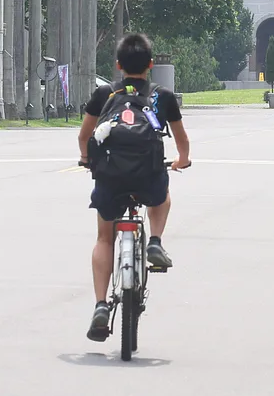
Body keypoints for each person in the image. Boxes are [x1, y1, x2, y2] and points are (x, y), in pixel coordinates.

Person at [78, 33, 191, 341]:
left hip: (111, 177)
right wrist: (182, 159)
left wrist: (87, 159)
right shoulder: (163, 96)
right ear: (151, 65)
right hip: (148, 176)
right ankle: (154, 241)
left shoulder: (104, 94)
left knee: (104, 237)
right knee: (162, 197)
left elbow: (84, 136)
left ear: (118, 66)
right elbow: (181, 140)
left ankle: (101, 304)